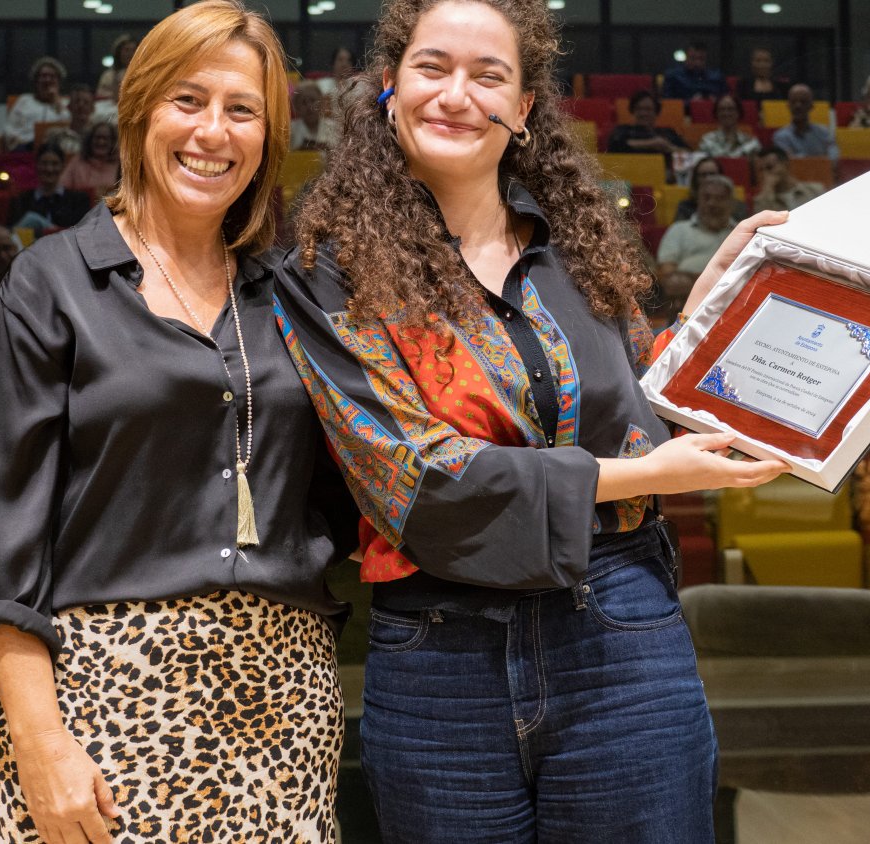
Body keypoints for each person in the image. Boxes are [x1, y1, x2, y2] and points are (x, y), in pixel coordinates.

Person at [274, 0, 789, 839]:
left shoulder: (578, 249)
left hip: (621, 631)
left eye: (489, 76)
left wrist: (710, 308)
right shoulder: (327, 272)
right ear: (388, 90)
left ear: (524, 110)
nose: (456, 95)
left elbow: (640, 414)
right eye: (432, 68)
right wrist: (649, 478)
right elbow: (414, 475)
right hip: (440, 659)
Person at [0, 3, 353, 842]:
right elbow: (1, 543)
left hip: (283, 701)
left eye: (242, 110)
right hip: (98, 699)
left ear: (268, 138)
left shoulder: (289, 297)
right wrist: (39, 742)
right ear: (138, 114)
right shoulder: (49, 287)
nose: (213, 131)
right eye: (188, 100)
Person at [658, 174, 738, 274]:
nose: (712, 203)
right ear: (698, 200)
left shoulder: (742, 234)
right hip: (686, 287)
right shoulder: (678, 230)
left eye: (719, 198)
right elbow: (667, 272)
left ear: (732, 203)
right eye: (706, 197)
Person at [7, 144, 93, 233]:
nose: (49, 169)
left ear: (63, 166)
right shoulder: (20, 200)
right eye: (44, 163)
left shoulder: (79, 200)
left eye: (55, 164)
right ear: (36, 165)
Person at [4, 56, 71, 151]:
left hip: (57, 151)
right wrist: (18, 141)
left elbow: (68, 128)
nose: (47, 80)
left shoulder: (65, 104)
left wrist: (56, 101)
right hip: (26, 147)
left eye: (52, 76)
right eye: (43, 76)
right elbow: (9, 128)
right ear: (36, 81)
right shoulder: (24, 100)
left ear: (58, 81)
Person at [606, 89, 689, 157]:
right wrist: (651, 143)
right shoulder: (623, 130)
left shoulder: (667, 132)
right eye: (639, 109)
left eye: (648, 109)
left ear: (656, 112)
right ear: (632, 111)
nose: (643, 113)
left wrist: (669, 147)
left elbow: (689, 153)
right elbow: (613, 147)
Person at [773, 82, 839, 161]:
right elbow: (790, 163)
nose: (798, 106)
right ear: (788, 105)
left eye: (803, 102)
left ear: (811, 106)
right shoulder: (780, 137)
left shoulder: (824, 133)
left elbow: (834, 158)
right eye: (794, 102)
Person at [751, 145, 825, 212]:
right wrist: (767, 191)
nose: (765, 175)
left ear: (785, 164)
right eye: (761, 170)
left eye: (770, 167)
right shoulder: (761, 201)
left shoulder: (815, 190)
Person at [675, 156, 747, 222]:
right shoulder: (685, 207)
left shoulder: (738, 207)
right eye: (703, 175)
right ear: (695, 179)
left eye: (712, 174)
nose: (708, 178)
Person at [59, 120, 120, 197]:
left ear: (112, 142)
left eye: (106, 138)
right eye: (97, 138)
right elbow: (62, 188)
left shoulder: (120, 164)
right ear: (90, 140)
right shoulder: (77, 161)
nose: (101, 142)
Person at [698, 93, 760, 158]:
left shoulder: (751, 143)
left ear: (738, 113)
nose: (726, 113)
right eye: (722, 109)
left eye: (731, 109)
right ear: (716, 114)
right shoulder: (707, 140)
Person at [661, 41, 726, 100]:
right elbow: (668, 102)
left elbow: (726, 99)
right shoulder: (673, 76)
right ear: (686, 57)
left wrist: (717, 102)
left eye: (701, 59)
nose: (697, 63)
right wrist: (691, 102)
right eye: (693, 58)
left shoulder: (717, 77)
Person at [290, 81, 339, 149]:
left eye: (313, 100)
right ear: (296, 107)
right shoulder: (290, 130)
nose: (309, 106)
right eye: (304, 102)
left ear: (321, 102)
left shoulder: (335, 128)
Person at [96, 33, 139, 101]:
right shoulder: (108, 76)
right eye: (127, 50)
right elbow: (100, 96)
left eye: (134, 50)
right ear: (118, 53)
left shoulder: (145, 74)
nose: (131, 54)